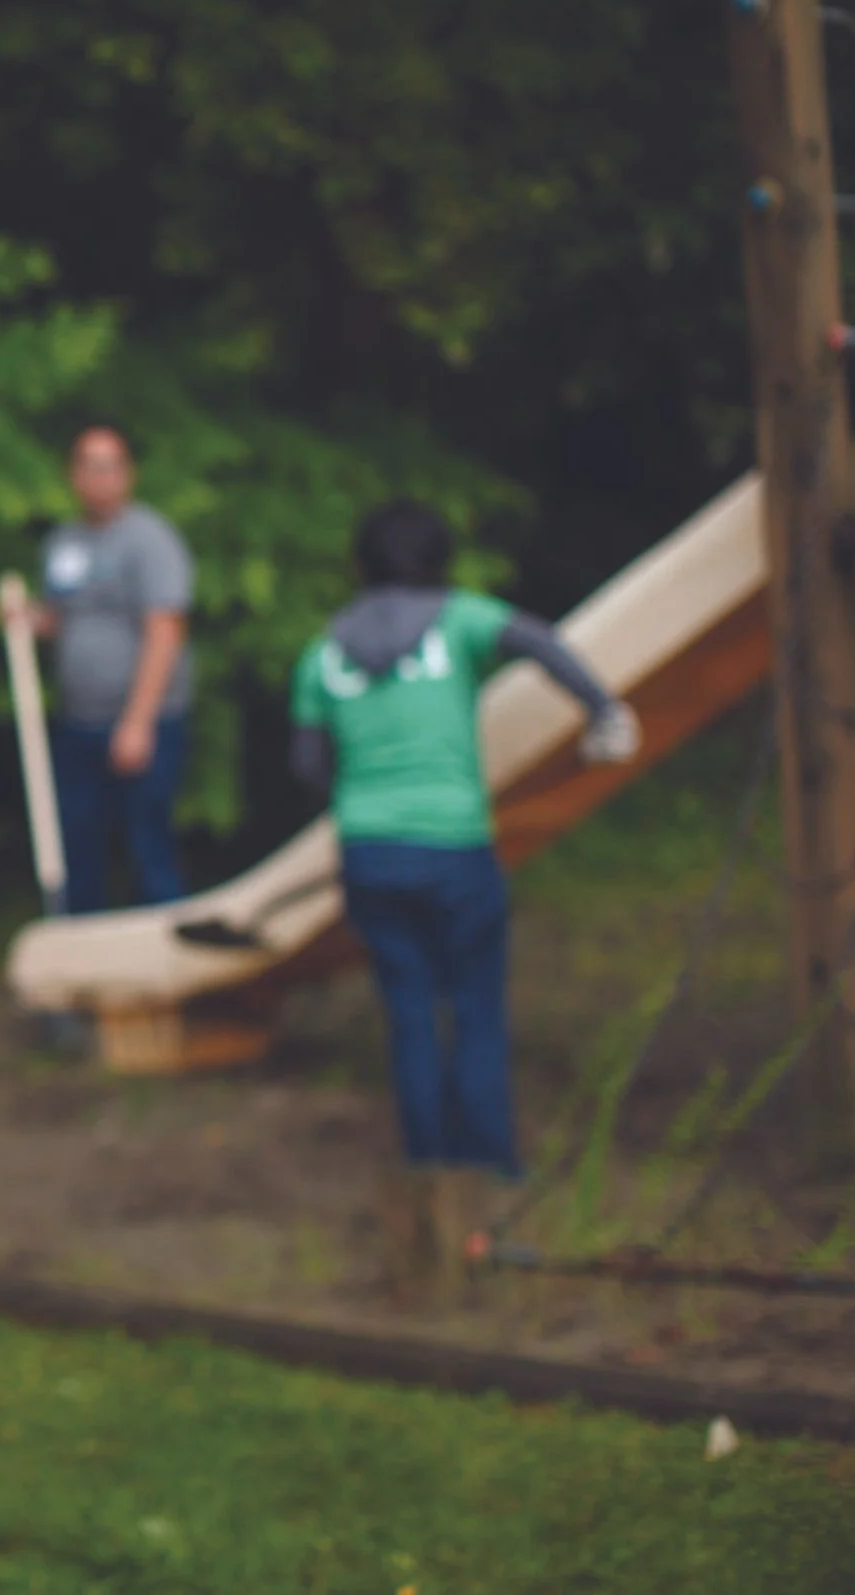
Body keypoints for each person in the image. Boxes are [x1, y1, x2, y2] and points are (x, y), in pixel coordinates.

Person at [289, 499, 639, 1272]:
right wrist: (603, 709)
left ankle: (426, 1174)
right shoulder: (460, 621)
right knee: (475, 1006)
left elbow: (309, 767)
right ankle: (492, 1177)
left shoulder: (322, 652)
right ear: (440, 559)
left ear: (362, 564)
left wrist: (367, 783)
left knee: (409, 1009)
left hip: (370, 853)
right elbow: (541, 642)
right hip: (453, 847)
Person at [0, 425, 195, 912]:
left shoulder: (150, 539)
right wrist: (30, 621)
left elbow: (165, 631)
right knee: (78, 842)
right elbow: (68, 618)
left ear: (127, 475)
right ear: (73, 475)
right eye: (88, 464)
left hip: (143, 720)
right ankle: (82, 951)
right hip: (78, 720)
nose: (99, 476)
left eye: (110, 465)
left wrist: (138, 721)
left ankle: (161, 958)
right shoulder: (65, 543)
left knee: (146, 844)